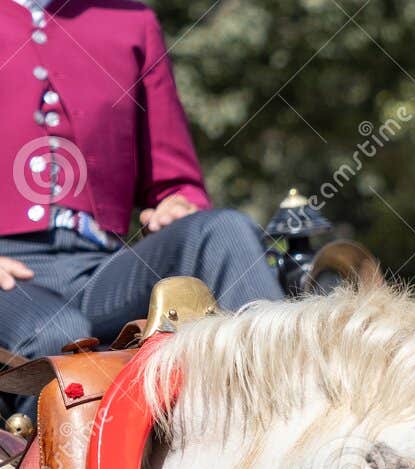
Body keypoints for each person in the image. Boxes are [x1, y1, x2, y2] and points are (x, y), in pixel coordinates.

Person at [0, 0, 283, 361]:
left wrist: (177, 203)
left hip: (99, 266)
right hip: (8, 269)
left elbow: (176, 181)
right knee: (56, 332)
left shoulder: (132, 21)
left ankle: (289, 398)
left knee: (224, 230)